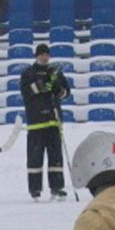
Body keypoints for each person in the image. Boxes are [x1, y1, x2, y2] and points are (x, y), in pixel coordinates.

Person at [19, 43, 72, 200]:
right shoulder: (29, 73)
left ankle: (57, 187)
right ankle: (34, 189)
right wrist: (41, 86)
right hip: (36, 122)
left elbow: (66, 92)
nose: (44, 57)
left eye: (46, 54)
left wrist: (57, 88)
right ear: (36, 56)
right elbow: (26, 91)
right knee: (35, 156)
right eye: (41, 54)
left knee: (56, 156)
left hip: (53, 121)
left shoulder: (55, 72)